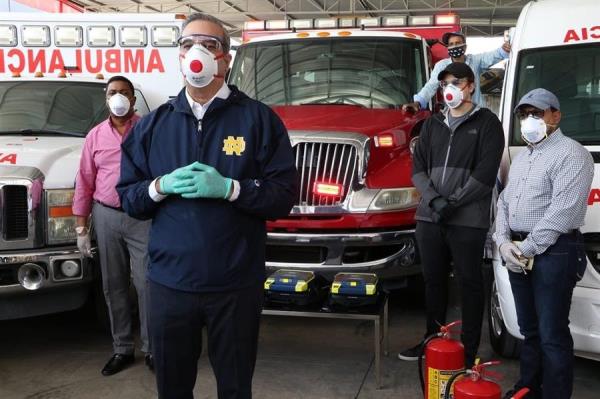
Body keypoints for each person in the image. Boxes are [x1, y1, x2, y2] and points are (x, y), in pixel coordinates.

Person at [116, 13, 298, 399]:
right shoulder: (153, 127)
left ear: (225, 59)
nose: (195, 51)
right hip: (169, 284)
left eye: (209, 44)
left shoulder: (258, 120)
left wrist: (233, 188)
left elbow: (283, 197)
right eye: (186, 44)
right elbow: (128, 199)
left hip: (234, 284)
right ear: (179, 56)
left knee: (234, 386)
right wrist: (158, 187)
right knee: (173, 386)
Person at [398, 62, 504, 367]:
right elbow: (417, 170)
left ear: (470, 86)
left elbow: (485, 174)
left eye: (456, 82)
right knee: (433, 281)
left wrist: (453, 203)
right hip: (430, 219)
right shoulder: (431, 125)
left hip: (467, 220)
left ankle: (468, 350)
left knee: (470, 283)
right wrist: (435, 202)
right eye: (444, 83)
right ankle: (432, 340)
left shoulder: (487, 123)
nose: (449, 89)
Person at [493, 88, 593, 399]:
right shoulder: (524, 157)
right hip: (519, 252)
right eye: (524, 115)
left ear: (556, 115)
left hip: (554, 252)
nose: (529, 120)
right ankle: (528, 387)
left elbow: (562, 211)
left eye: (537, 113)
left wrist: (526, 248)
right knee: (529, 331)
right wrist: (503, 241)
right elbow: (505, 204)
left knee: (552, 334)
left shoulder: (572, 153)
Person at [72, 75, 152, 376]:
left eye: (124, 93)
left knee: (147, 284)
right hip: (106, 216)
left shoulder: (148, 129)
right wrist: (81, 228)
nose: (118, 97)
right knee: (114, 285)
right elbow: (85, 180)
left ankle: (153, 348)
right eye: (113, 92)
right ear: (106, 98)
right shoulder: (95, 136)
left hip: (142, 216)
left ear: (133, 99)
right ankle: (122, 349)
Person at [402, 31, 510, 112]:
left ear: (465, 47)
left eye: (458, 43)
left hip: (476, 113)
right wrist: (418, 102)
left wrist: (503, 50)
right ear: (448, 48)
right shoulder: (441, 66)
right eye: (451, 44)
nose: (454, 46)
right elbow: (430, 86)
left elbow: (492, 56)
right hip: (453, 115)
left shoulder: (475, 61)